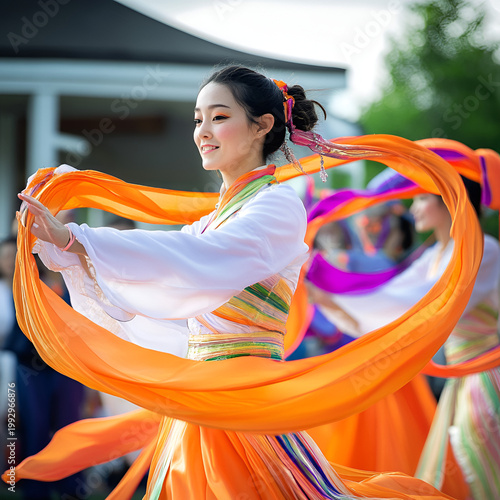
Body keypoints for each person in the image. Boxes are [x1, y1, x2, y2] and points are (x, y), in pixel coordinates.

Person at [6, 65, 483, 499]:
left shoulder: (277, 207)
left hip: (247, 405)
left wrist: (77, 237)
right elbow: (165, 274)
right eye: (197, 119)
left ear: (263, 125)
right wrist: (69, 247)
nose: (202, 132)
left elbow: (197, 260)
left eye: (218, 117)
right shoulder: (214, 219)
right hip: (203, 405)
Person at [310, 170, 500, 499]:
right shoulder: (433, 256)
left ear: (450, 201)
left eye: (423, 198)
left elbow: (422, 302)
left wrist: (333, 292)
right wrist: (329, 293)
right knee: (452, 471)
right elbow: (393, 296)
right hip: (461, 380)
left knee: (480, 466)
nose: (413, 208)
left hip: (485, 376)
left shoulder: (484, 251)